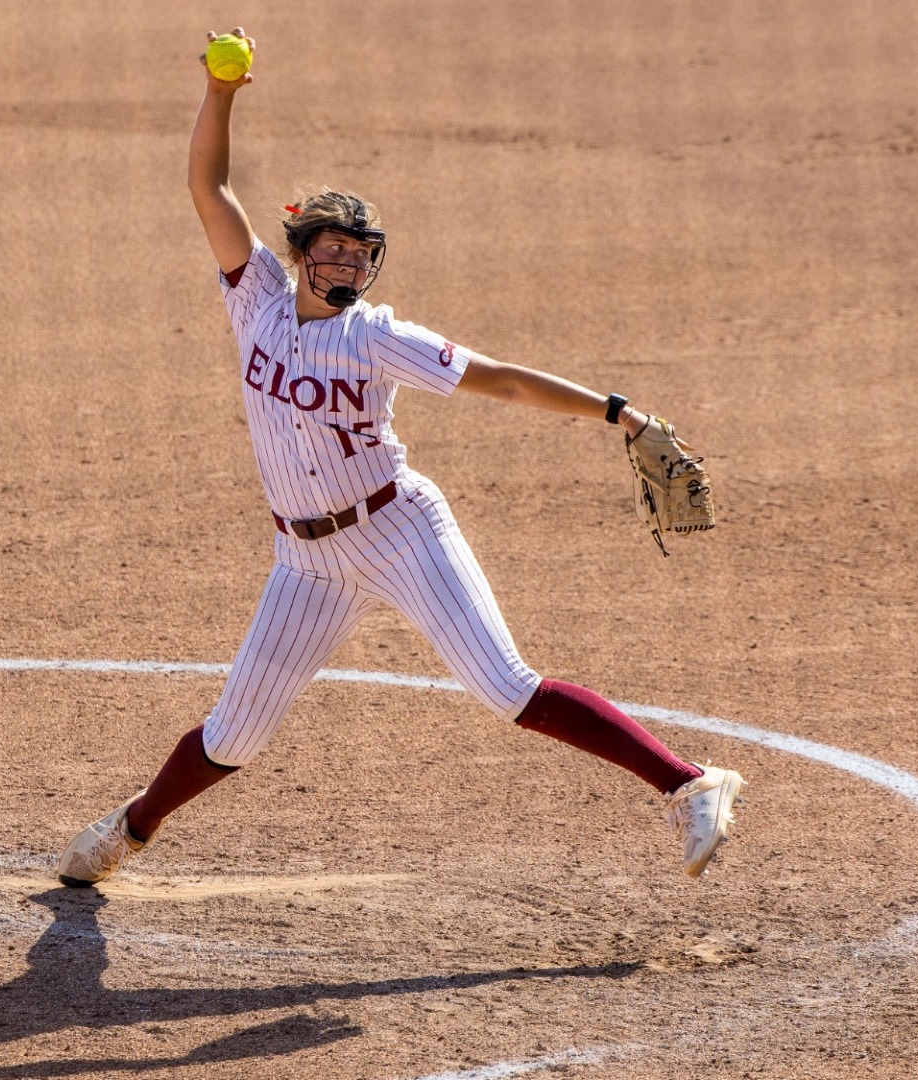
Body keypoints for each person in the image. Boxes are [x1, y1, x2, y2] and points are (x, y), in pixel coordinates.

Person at [59, 28, 745, 888]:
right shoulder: (257, 300)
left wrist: (620, 413)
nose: (349, 263)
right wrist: (222, 91)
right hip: (304, 561)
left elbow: (497, 380)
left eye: (361, 254)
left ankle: (690, 784)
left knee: (505, 686)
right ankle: (129, 830)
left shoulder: (375, 337)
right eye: (335, 249)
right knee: (234, 733)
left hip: (398, 529)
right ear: (301, 251)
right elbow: (208, 185)